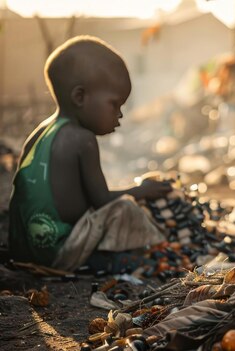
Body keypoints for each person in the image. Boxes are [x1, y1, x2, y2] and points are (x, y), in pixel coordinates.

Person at [9, 36, 172, 272]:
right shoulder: (82, 139)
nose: (120, 115)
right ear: (80, 97)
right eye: (114, 104)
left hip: (25, 250)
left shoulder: (40, 133)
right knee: (125, 208)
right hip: (60, 252)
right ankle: (108, 260)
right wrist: (142, 191)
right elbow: (103, 201)